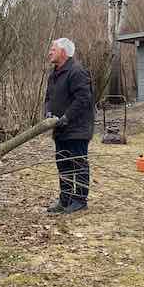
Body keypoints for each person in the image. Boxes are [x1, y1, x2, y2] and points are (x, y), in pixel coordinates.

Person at [44, 38, 95, 214]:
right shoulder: (54, 74)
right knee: (63, 165)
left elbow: (83, 99)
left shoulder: (77, 71)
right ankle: (65, 200)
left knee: (78, 164)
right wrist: (48, 114)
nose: (50, 52)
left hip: (77, 129)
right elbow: (48, 98)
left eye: (53, 49)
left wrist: (67, 117)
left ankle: (80, 200)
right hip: (59, 129)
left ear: (63, 52)